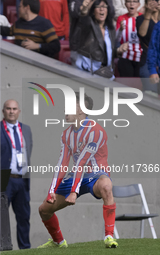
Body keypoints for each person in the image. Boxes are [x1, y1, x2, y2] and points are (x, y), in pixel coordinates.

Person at [38, 93, 118, 249]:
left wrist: (74, 192)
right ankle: (59, 242)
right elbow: (62, 164)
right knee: (44, 210)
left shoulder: (96, 131)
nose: (64, 109)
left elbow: (82, 161)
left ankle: (109, 237)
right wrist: (52, 190)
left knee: (107, 186)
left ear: (81, 108)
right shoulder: (66, 134)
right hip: (76, 177)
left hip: (95, 175)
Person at [0, 99, 33, 249]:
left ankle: (25, 249)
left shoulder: (26, 129)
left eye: (14, 109)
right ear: (3, 111)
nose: (11, 111)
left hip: (22, 179)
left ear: (19, 111)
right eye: (8, 108)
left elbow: (29, 150)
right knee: (0, 216)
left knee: (24, 217)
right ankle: (0, 247)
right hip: (5, 178)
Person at [74, 0, 128, 78]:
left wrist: (118, 50)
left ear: (108, 11)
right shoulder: (88, 26)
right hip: (88, 74)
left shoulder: (110, 29)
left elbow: (108, 53)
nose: (101, 9)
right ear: (93, 11)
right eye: (98, 7)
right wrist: (84, 10)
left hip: (106, 74)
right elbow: (84, 21)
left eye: (104, 7)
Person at [136, 0, 160, 93]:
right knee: (151, 93)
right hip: (148, 60)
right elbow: (142, 33)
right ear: (146, 4)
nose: (155, 3)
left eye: (158, 1)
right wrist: (148, 14)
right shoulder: (141, 19)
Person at [116, 0, 142, 77]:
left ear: (139, 4)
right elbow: (116, 39)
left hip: (141, 57)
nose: (131, 3)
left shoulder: (143, 18)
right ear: (125, 4)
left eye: (134, 1)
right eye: (129, 1)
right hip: (125, 56)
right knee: (127, 84)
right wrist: (120, 29)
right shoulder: (121, 18)